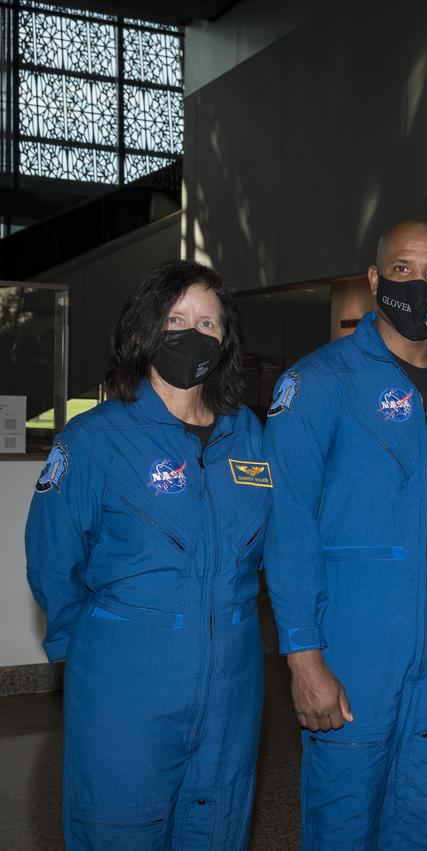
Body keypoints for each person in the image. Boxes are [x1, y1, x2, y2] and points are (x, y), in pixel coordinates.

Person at [262, 219, 427, 849]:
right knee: (342, 824)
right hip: (351, 647)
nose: (418, 285)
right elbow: (287, 527)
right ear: (373, 280)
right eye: (401, 270)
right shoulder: (316, 384)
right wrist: (303, 656)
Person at [25, 260, 270, 848]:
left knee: (216, 830)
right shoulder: (93, 440)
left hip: (233, 688)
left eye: (208, 323)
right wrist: (88, 654)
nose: (193, 333)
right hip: (126, 685)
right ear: (143, 333)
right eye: (176, 318)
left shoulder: (250, 434)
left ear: (225, 341)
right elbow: (54, 563)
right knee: (119, 830)